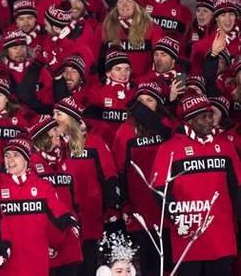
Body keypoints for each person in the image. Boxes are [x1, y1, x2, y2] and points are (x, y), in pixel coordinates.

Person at [152, 93, 241, 276]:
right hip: (187, 239)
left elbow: (237, 188)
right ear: (189, 121)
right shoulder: (169, 149)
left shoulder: (225, 146)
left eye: (210, 115)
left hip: (221, 238)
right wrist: (177, 219)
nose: (209, 120)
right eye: (203, 116)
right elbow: (159, 191)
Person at [0, 137, 80, 276]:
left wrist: (70, 221)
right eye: (7, 155)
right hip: (8, 261)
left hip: (36, 262)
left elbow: (57, 210)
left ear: (26, 159)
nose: (10, 159)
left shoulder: (43, 186)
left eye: (16, 155)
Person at [53, 96, 121, 276]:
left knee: (87, 264)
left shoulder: (94, 142)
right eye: (54, 114)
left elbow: (110, 176)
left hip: (89, 213)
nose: (55, 119)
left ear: (72, 117)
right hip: (62, 215)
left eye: (59, 114)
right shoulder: (54, 143)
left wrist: (110, 207)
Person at [112, 81, 174, 276]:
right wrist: (124, 204)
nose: (145, 105)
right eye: (140, 101)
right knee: (146, 265)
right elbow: (119, 171)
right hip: (140, 210)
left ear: (158, 104)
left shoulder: (167, 127)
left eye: (150, 100)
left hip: (167, 208)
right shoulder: (125, 131)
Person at [30, 114, 83, 276]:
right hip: (45, 238)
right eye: (54, 129)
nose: (59, 132)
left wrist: (75, 225)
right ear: (44, 135)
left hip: (68, 236)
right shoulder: (31, 163)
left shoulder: (66, 160)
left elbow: (75, 197)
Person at [97, 0, 164, 77]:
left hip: (144, 85)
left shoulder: (152, 28)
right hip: (115, 84)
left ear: (136, 5)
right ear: (116, 7)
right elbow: (96, 60)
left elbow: (163, 59)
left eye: (128, 1)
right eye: (120, 2)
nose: (124, 5)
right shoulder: (104, 28)